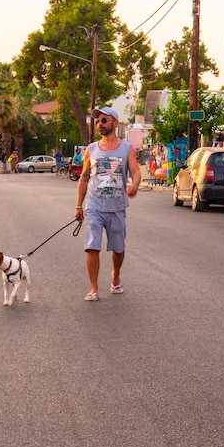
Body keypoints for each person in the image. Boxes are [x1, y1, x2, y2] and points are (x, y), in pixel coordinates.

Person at [74, 106, 141, 301]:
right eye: (97, 121)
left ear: (115, 123)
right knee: (92, 245)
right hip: (94, 206)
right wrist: (79, 205)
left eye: (104, 120)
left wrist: (134, 185)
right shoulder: (91, 149)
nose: (99, 124)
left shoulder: (126, 148)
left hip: (117, 207)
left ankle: (116, 274)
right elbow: (84, 178)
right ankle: (93, 288)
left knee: (118, 248)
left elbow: (136, 171)